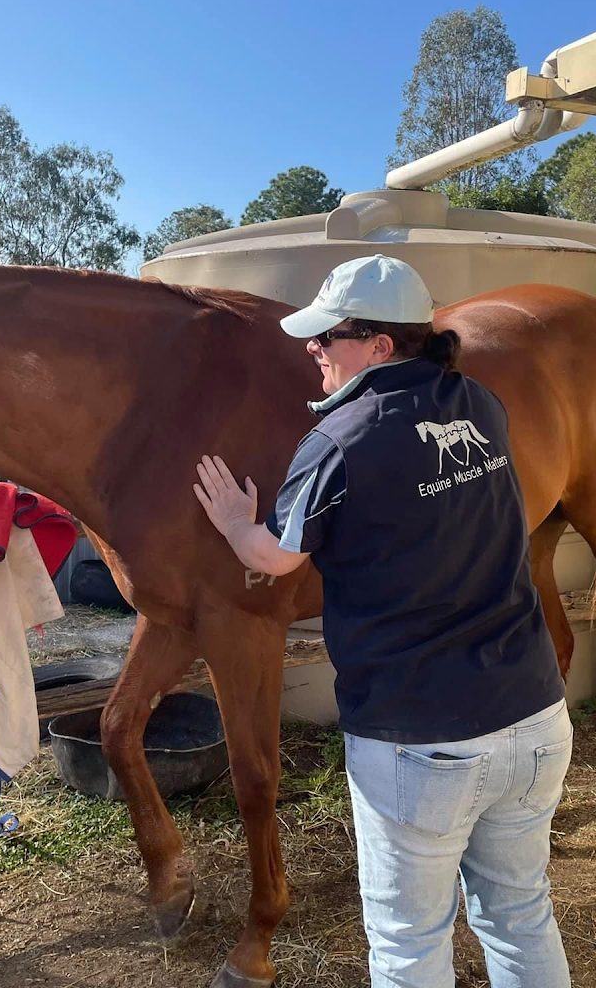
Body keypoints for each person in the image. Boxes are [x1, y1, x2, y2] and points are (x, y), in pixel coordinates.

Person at [193, 255, 572, 988]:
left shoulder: (338, 441)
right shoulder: (480, 404)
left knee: (408, 944)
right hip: (534, 721)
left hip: (420, 744)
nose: (313, 349)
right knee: (521, 915)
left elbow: (276, 560)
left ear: (378, 346)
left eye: (329, 336)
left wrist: (238, 524)